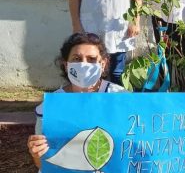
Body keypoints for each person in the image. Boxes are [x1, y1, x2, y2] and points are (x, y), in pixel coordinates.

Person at [27, 32, 126, 170]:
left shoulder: (120, 97)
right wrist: (37, 154)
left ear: (103, 64)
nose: (83, 65)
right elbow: (44, 165)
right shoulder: (50, 108)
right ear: (66, 65)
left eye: (91, 59)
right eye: (76, 58)